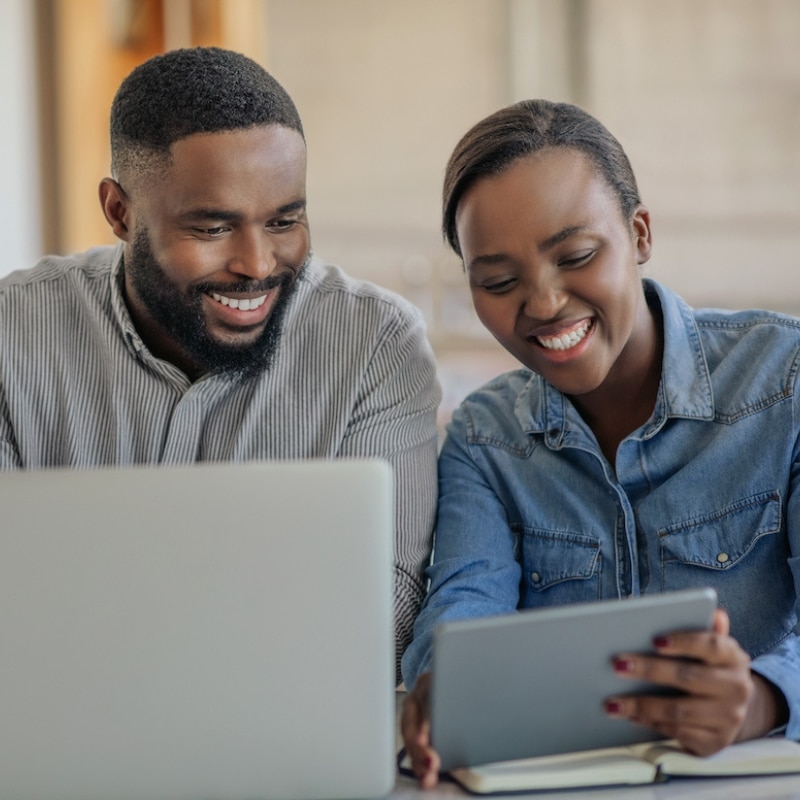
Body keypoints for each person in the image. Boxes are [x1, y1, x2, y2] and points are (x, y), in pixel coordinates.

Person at [0, 47, 440, 682]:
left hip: (285, 725)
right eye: (212, 229)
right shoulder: (13, 335)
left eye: (285, 220)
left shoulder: (375, 343)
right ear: (120, 213)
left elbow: (389, 600)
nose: (258, 264)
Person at [400, 99, 798, 786]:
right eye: (498, 281)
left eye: (576, 256)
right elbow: (463, 604)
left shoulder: (783, 381)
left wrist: (762, 699)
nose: (545, 303)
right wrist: (444, 684)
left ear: (640, 234)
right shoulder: (483, 438)